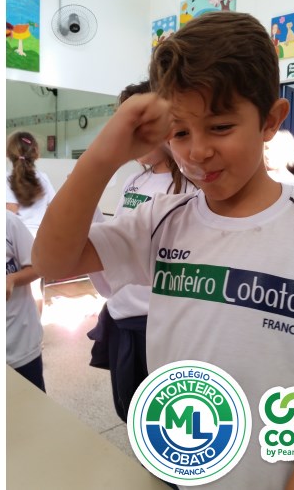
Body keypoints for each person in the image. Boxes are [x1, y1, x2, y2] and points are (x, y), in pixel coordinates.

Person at [32, 11, 294, 490]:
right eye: (180, 133)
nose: (197, 152)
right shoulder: (162, 219)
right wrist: (103, 155)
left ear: (270, 121)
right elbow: (51, 261)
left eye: (221, 127)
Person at [86, 80, 197, 424]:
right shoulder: (134, 181)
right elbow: (118, 235)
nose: (134, 138)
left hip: (155, 318)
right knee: (127, 405)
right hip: (120, 312)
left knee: (159, 414)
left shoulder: (189, 187)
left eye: (143, 127)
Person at [6, 130, 56, 303]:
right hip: (38, 241)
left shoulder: (6, 180)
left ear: (9, 154)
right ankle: (35, 320)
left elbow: (9, 214)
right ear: (36, 153)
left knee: (16, 292)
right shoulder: (44, 178)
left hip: (16, 245)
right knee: (35, 290)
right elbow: (53, 208)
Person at [6, 210, 45, 392]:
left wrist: (12, 279)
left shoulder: (8, 222)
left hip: (21, 345)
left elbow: (38, 266)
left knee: (33, 405)